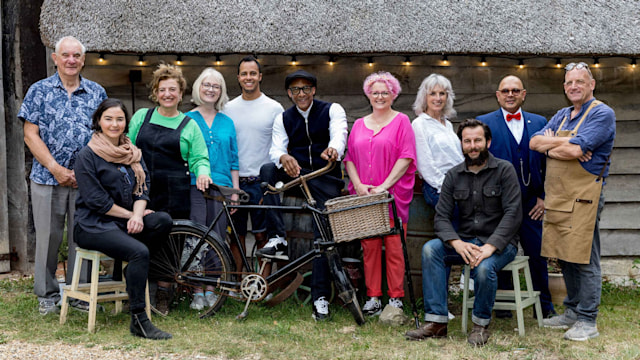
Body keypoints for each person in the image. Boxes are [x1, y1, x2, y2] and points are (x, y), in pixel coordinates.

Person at [405, 119, 521, 346]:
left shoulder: (504, 170)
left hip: (501, 244)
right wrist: (456, 243)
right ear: (461, 144)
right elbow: (441, 217)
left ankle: (480, 325)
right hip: (466, 241)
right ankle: (437, 322)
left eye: (477, 140)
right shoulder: (453, 175)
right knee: (431, 250)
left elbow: (513, 214)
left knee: (484, 265)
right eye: (467, 141)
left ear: (488, 142)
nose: (472, 146)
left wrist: (490, 246)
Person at [19, 36, 107, 315]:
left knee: (84, 236)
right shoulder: (39, 90)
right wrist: (56, 169)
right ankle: (47, 295)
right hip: (47, 178)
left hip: (86, 180)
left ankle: (80, 294)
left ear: (83, 60)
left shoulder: (97, 93)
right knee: (48, 238)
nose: (71, 60)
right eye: (65, 55)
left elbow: (106, 135)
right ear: (55, 58)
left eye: (76, 56)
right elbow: (30, 134)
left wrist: (86, 171)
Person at [530, 62, 615, 341]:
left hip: (584, 194)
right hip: (559, 193)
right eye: (569, 83)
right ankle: (572, 312)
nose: (574, 86)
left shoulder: (602, 113)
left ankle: (588, 320)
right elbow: (534, 143)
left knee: (584, 256)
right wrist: (561, 145)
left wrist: (557, 145)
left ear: (592, 84)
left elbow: (576, 149)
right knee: (564, 255)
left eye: (580, 81)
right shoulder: (562, 114)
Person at [73, 98, 172, 340]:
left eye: (119, 119)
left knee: (163, 221)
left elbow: (143, 188)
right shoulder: (87, 155)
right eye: (108, 119)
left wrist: (138, 214)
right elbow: (97, 202)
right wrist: (132, 215)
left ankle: (133, 273)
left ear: (126, 122)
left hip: (122, 221)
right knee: (139, 252)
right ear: (98, 121)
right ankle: (139, 319)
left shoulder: (132, 152)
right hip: (92, 224)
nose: (114, 124)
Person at [257, 70, 348, 321]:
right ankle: (278, 238)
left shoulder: (332, 110)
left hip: (324, 176)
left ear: (314, 90)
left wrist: (334, 149)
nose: (301, 94)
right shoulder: (283, 117)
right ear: (289, 93)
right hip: (297, 175)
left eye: (306, 88)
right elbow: (276, 148)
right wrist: (284, 157)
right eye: (295, 90)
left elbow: (339, 134)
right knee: (267, 171)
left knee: (322, 237)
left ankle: (320, 298)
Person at [128, 63, 212, 315]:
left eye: (172, 89)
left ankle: (163, 294)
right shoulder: (141, 116)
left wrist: (203, 173)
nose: (167, 94)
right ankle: (134, 292)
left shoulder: (189, 125)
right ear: (155, 92)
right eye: (162, 89)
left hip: (175, 191)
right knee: (138, 237)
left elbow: (199, 158)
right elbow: (127, 147)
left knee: (170, 244)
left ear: (180, 93)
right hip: (141, 189)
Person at [477, 75, 556, 319]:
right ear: (498, 95)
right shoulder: (484, 123)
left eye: (515, 90)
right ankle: (502, 306)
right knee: (499, 251)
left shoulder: (540, 122)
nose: (510, 94)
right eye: (505, 91)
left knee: (537, 254)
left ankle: (544, 307)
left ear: (523, 94)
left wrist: (544, 197)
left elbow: (549, 163)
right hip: (499, 204)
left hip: (532, 203)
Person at [344, 72, 416, 316]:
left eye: (385, 92)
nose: (380, 96)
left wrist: (385, 186)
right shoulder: (359, 125)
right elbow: (350, 159)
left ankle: (395, 298)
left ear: (393, 94)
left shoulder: (402, 121)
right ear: (368, 95)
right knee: (370, 247)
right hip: (366, 197)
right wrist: (360, 186)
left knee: (395, 247)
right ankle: (373, 297)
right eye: (375, 92)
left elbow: (406, 157)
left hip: (392, 196)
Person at [222, 56, 284, 274]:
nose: (249, 77)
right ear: (238, 78)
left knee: (262, 235)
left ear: (260, 76)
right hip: (235, 183)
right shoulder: (227, 108)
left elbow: (280, 146)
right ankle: (238, 280)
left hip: (262, 183)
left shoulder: (274, 108)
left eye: (252, 73)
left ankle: (261, 283)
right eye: (244, 74)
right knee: (235, 235)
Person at [186, 67, 239, 310]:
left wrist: (235, 190)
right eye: (206, 85)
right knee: (197, 234)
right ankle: (196, 289)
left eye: (216, 86)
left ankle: (211, 288)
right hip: (196, 185)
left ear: (221, 92)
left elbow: (233, 159)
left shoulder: (227, 122)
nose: (211, 89)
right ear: (198, 88)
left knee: (218, 237)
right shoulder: (188, 120)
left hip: (222, 187)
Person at [411, 74, 463, 209]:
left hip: (459, 184)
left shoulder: (448, 124)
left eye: (442, 93)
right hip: (438, 188)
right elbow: (424, 165)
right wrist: (446, 187)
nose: (438, 98)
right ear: (424, 97)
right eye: (432, 94)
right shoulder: (419, 124)